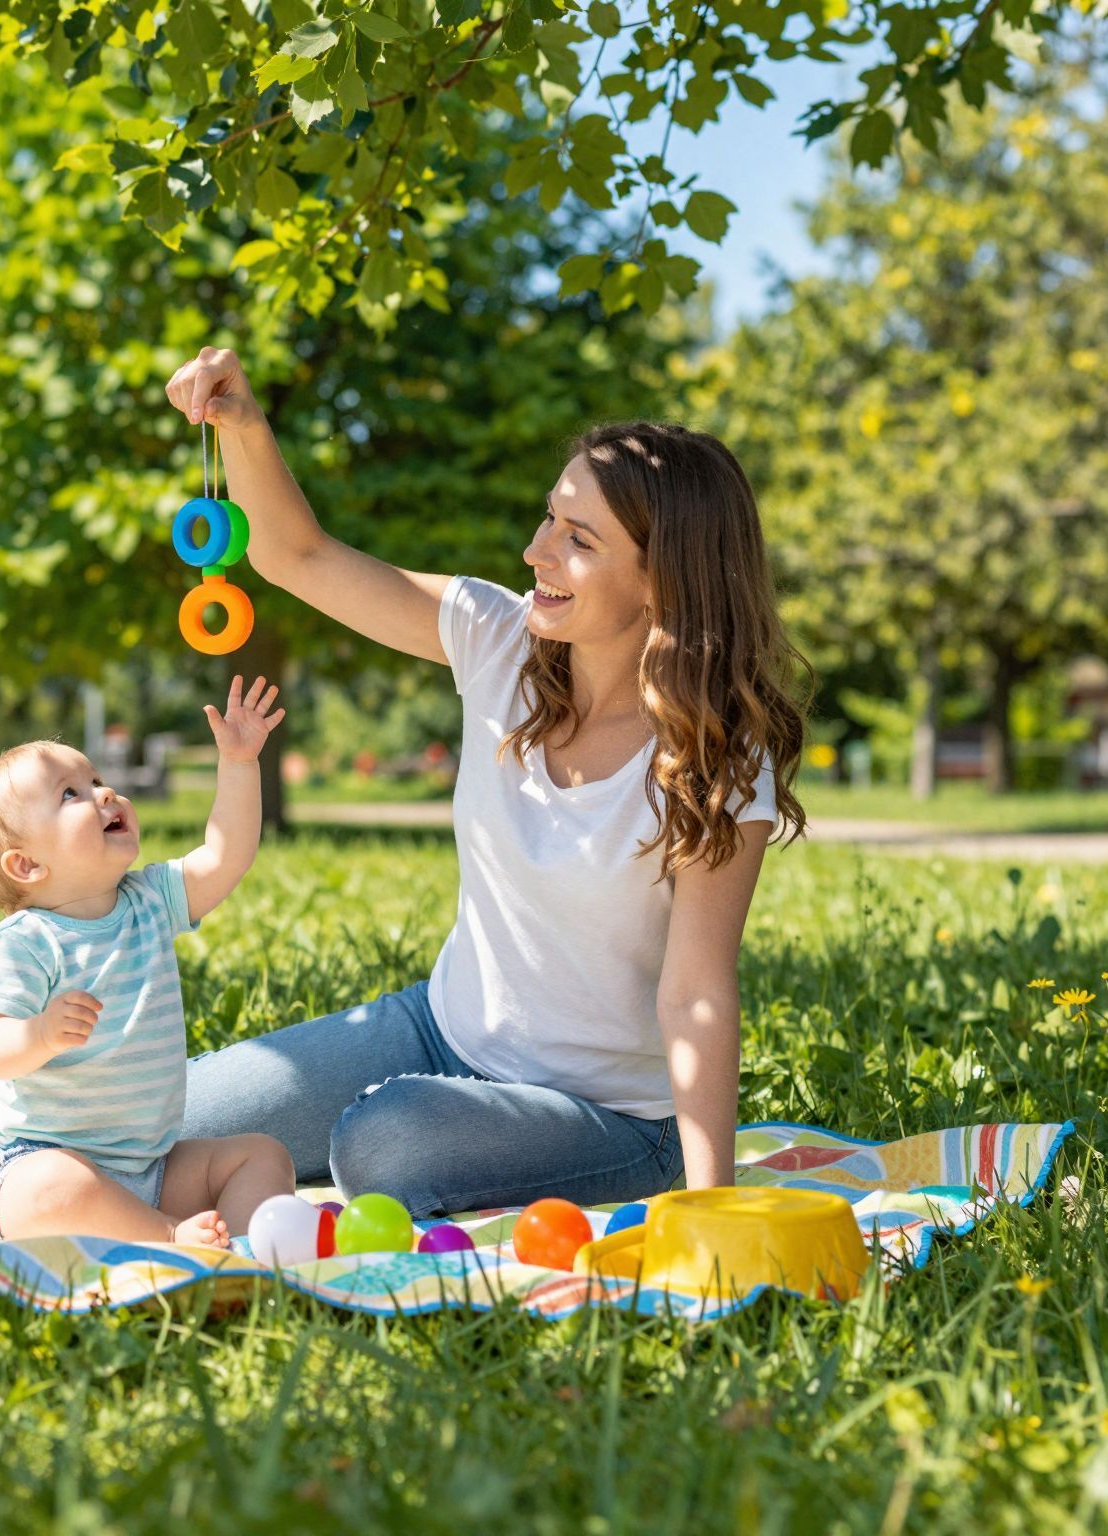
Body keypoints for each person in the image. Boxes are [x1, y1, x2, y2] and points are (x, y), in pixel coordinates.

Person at [166, 348, 811, 1216]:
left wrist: (711, 1204)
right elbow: (298, 556)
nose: (536, 550)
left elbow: (696, 992)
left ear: (662, 581)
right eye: (550, 517)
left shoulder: (714, 758)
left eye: (578, 540)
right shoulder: (496, 638)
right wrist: (242, 425)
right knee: (167, 1119)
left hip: (607, 1117)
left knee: (382, 1140)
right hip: (438, 1030)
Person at [0, 677, 297, 1248]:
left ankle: (241, 1255)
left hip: (150, 1168)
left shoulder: (151, 901)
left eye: (96, 780)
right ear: (27, 866)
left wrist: (238, 763)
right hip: (40, 1161)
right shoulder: (27, 942)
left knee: (262, 1155)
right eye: (71, 794)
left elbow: (225, 856)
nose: (104, 793)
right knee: (51, 1189)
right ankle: (170, 1238)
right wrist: (39, 1033)